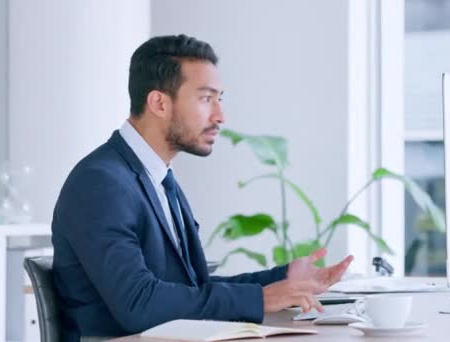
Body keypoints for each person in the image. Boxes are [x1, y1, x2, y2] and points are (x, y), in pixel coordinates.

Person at [51, 34, 353, 341]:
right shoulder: (101, 183)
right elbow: (138, 302)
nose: (220, 116)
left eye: (219, 99)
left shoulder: (159, 180)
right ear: (159, 103)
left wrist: (283, 279)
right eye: (206, 99)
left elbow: (191, 288)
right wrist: (260, 299)